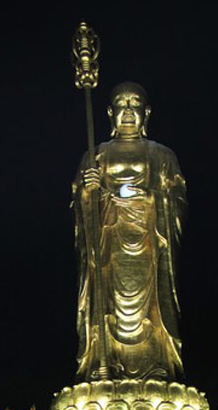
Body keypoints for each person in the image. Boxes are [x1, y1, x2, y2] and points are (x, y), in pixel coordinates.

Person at [72, 81, 187, 384]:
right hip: (109, 251)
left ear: (146, 112)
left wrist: (150, 199)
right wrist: (89, 194)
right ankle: (105, 365)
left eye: (134, 104)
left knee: (154, 312)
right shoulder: (95, 156)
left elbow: (177, 202)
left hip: (150, 248)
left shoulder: (162, 156)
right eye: (120, 105)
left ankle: (157, 369)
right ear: (110, 113)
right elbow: (80, 207)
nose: (127, 111)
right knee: (105, 306)